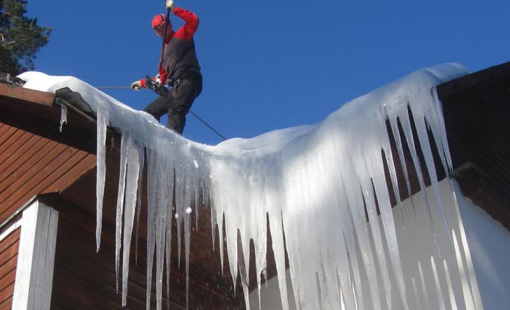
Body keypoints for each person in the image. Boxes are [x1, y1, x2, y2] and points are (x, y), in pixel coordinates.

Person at [131, 1, 202, 135]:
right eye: (158, 29)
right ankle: (150, 139)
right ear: (155, 32)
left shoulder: (181, 35)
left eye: (164, 26)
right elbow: (161, 80)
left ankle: (172, 143)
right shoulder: (163, 56)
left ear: (170, 24)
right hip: (176, 86)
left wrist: (175, 9)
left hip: (190, 79)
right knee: (149, 112)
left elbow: (193, 21)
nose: (162, 30)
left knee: (176, 110)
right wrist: (142, 83)